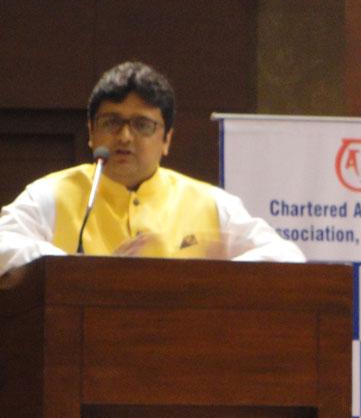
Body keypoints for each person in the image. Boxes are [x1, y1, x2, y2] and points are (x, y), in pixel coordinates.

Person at [0, 61, 304, 277]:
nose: (124, 137)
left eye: (142, 125)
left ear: (166, 139)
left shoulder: (211, 204)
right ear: (91, 133)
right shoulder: (51, 196)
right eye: (111, 122)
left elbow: (288, 258)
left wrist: (205, 277)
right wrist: (82, 270)